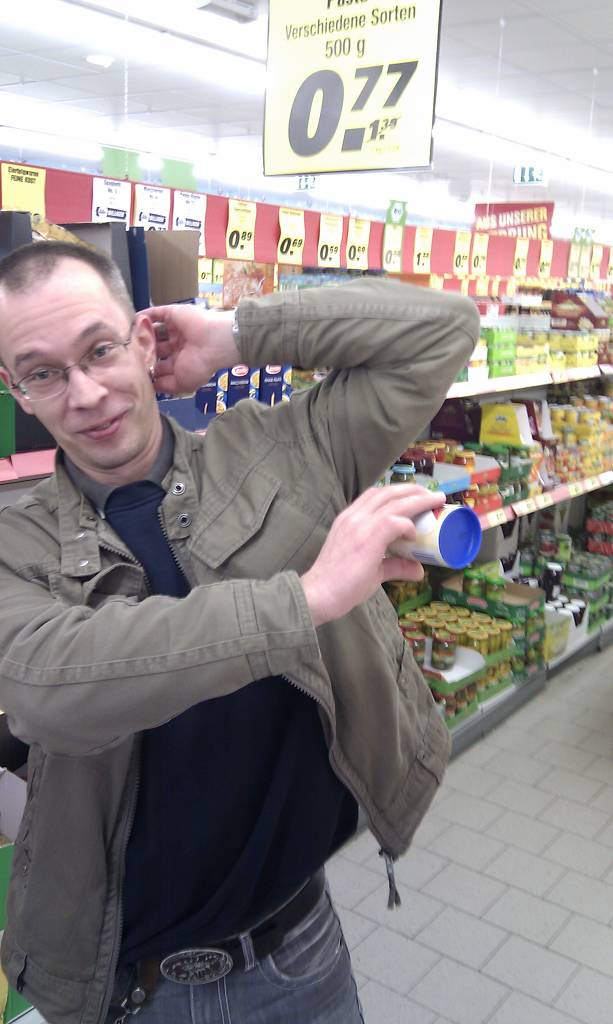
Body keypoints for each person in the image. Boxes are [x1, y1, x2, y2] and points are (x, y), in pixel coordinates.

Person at [0, 240, 479, 1024]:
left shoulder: (285, 451)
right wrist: (304, 600)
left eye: (100, 349)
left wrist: (237, 334)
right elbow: (49, 690)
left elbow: (442, 328)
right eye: (45, 372)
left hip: (300, 952)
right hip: (133, 988)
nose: (85, 394)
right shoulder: (14, 544)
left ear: (144, 339)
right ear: (15, 389)